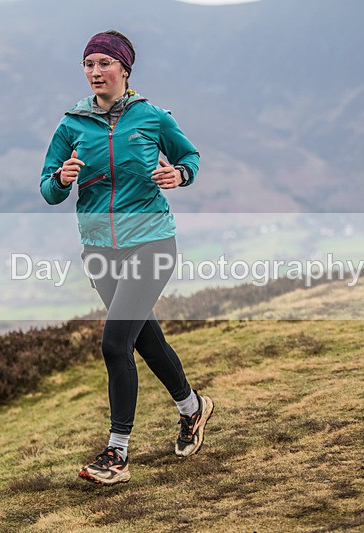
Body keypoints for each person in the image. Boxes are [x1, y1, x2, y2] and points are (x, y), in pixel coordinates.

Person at [40, 29, 213, 486]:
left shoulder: (152, 118)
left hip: (152, 242)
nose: (95, 72)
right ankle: (193, 408)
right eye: (88, 65)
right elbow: (47, 189)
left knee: (115, 342)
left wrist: (180, 173)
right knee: (144, 339)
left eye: (103, 63)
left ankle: (116, 454)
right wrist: (62, 177)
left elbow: (190, 156)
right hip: (99, 251)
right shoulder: (71, 125)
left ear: (124, 69)